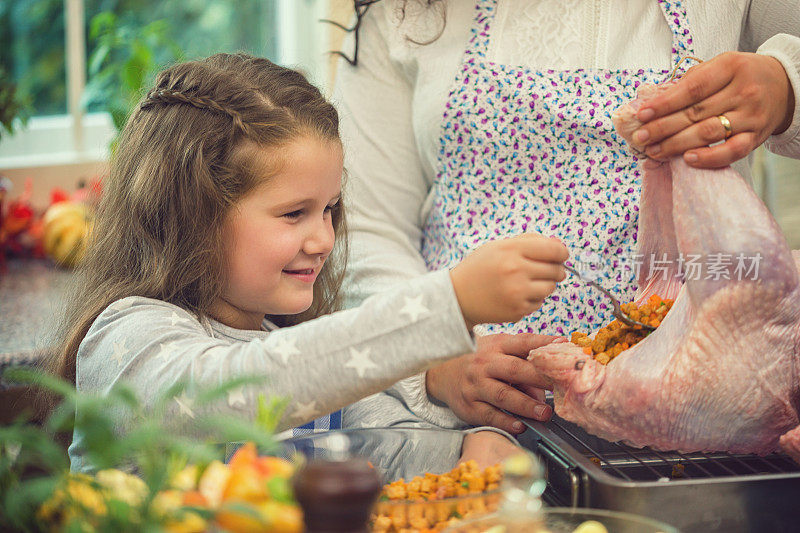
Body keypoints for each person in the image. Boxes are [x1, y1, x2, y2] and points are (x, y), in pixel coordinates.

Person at [43, 53, 569, 472]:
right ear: (192, 214)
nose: (323, 238)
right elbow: (249, 390)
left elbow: (386, 450)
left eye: (329, 210)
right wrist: (446, 307)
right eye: (294, 213)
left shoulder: (291, 350)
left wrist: (471, 452)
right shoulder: (127, 339)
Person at [334, 0, 800, 435]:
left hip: (703, 410)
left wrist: (787, 87)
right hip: (469, 432)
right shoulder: (403, 11)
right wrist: (430, 361)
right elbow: (365, 228)